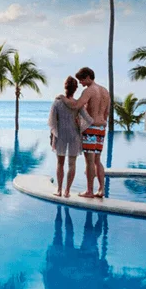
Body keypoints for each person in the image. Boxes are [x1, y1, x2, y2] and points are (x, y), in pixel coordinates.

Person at [59, 67, 110, 199]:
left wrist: (63, 98)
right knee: (97, 160)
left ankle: (89, 191)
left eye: (81, 80)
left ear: (88, 77)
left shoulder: (89, 91)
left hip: (91, 128)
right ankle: (101, 189)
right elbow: (107, 113)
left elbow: (76, 105)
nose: (80, 83)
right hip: (102, 128)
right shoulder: (105, 91)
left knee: (89, 161)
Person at [48, 76, 92, 197]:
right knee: (72, 164)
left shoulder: (57, 102)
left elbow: (52, 121)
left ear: (65, 87)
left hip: (61, 135)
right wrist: (80, 125)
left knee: (60, 163)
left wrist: (54, 134)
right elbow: (88, 120)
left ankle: (59, 190)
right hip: (74, 135)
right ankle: (67, 191)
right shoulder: (78, 104)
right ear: (75, 89)